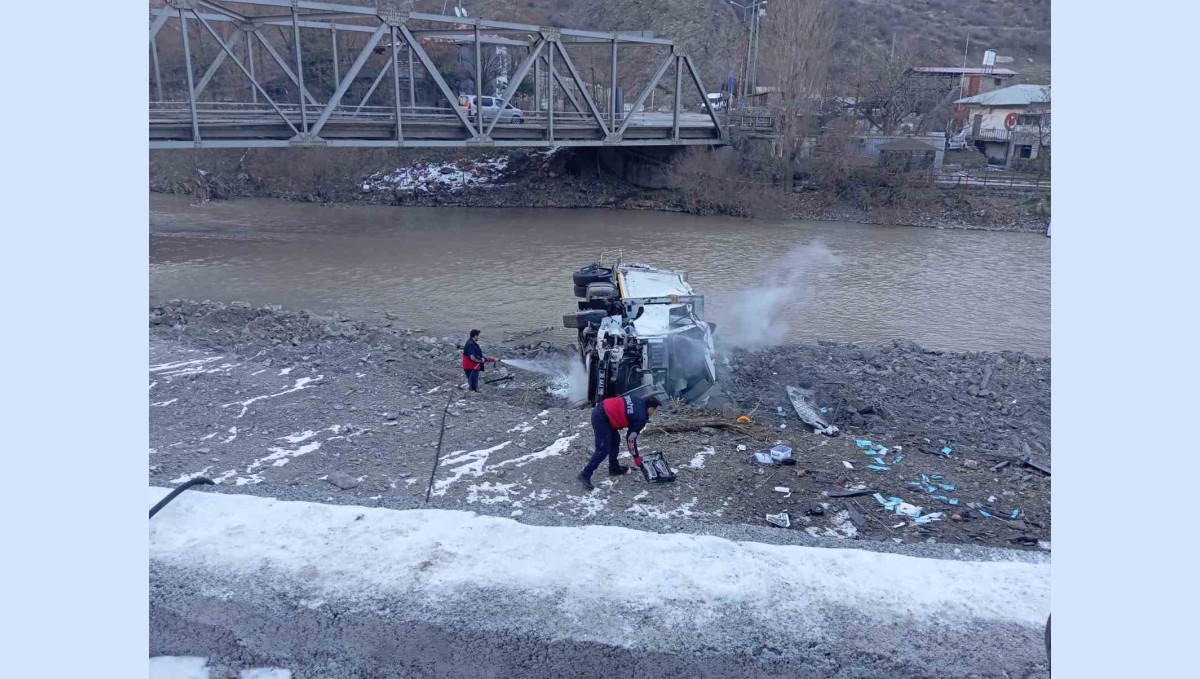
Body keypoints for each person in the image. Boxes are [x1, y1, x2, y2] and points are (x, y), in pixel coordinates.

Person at [579, 394, 661, 491]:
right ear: (650, 408)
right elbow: (631, 438)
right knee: (603, 450)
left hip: (603, 410)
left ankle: (614, 467)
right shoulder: (641, 417)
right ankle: (585, 475)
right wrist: (636, 457)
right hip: (602, 417)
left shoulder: (637, 399)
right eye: (654, 410)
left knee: (615, 440)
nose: (653, 413)